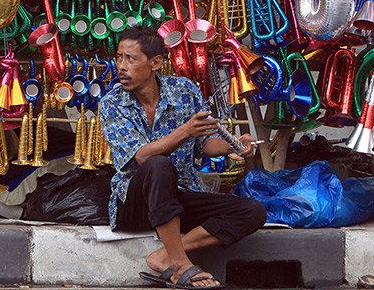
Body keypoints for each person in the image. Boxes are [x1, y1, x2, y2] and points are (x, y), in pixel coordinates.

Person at [99, 26, 267, 289]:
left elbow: (202, 144)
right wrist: (184, 131)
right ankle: (179, 264)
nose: (121, 66)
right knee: (158, 164)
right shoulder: (112, 104)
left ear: (155, 63)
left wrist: (232, 146)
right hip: (134, 205)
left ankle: (164, 255)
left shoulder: (184, 91)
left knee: (252, 211)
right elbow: (142, 156)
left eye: (131, 59)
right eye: (119, 57)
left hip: (178, 197)